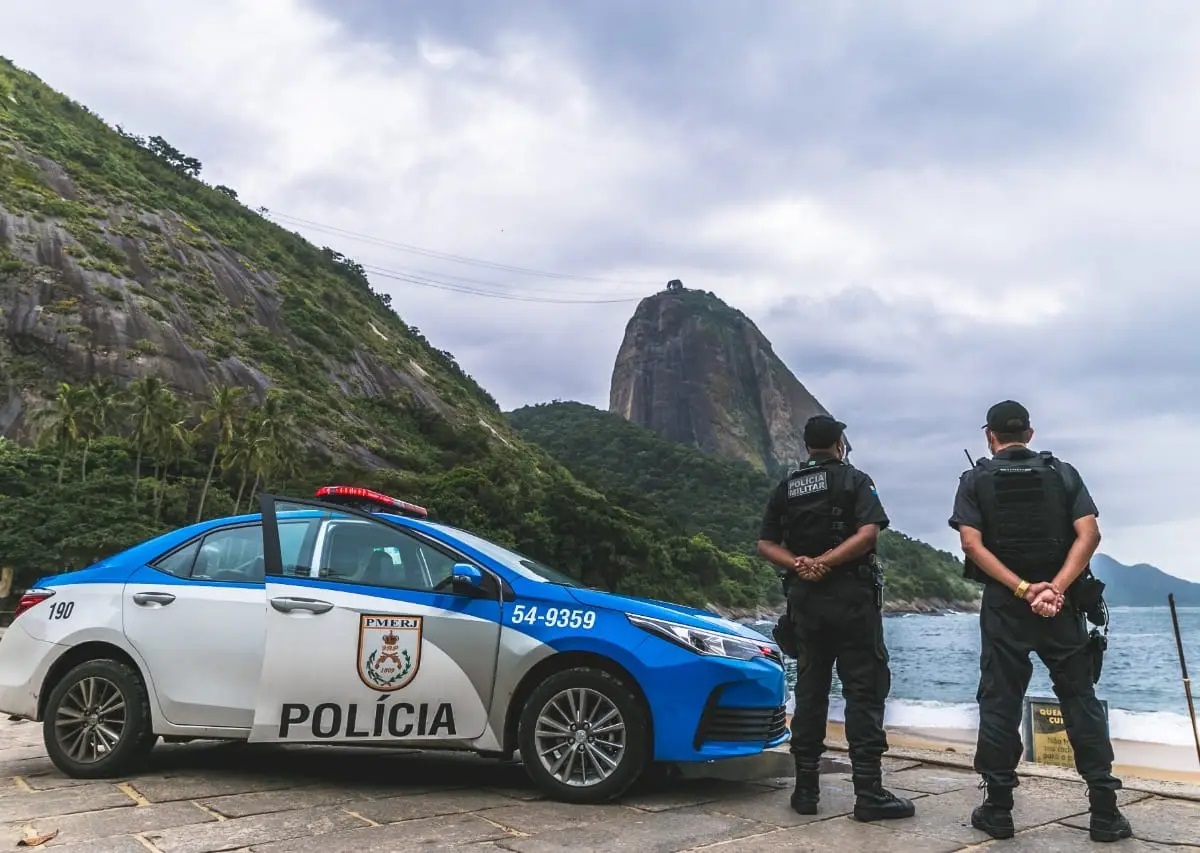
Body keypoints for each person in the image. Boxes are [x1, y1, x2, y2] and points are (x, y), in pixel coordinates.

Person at [949, 400, 1132, 843]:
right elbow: (1090, 535)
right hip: (1062, 608)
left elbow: (972, 545)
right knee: (1080, 700)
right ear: (1029, 434)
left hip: (1006, 609)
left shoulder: (975, 480)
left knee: (999, 703)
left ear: (990, 437)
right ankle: (1105, 813)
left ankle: (998, 810)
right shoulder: (1063, 473)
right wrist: (1056, 589)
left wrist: (1023, 590)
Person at [757, 414, 915, 822]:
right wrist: (827, 563)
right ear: (840, 442)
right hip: (851, 601)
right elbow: (868, 535)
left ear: (807, 446)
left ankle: (805, 791)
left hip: (805, 604)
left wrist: (801, 565)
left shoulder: (786, 487)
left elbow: (765, 543)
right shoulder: (855, 480)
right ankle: (869, 794)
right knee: (864, 691)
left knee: (810, 692)